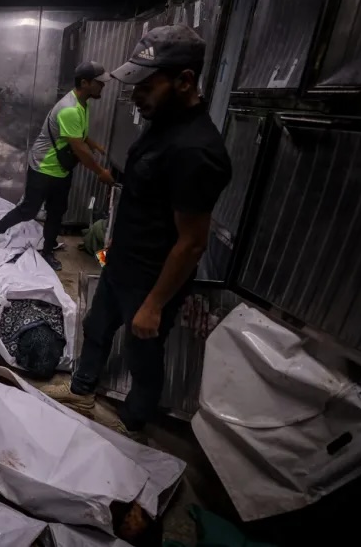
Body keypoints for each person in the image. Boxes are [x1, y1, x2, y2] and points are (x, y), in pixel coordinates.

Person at [57, 25, 232, 441]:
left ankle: (134, 424)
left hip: (152, 279)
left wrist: (154, 304)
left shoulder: (196, 150)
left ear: (184, 81)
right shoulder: (162, 124)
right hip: (122, 262)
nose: (135, 94)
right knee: (97, 327)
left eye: (146, 85)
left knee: (144, 352)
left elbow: (191, 243)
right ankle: (82, 387)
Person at [0, 62, 114, 271]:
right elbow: (79, 149)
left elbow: (80, 135)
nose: (103, 87)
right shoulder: (69, 109)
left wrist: (94, 144)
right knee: (29, 210)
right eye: (99, 83)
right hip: (44, 167)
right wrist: (101, 172)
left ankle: (47, 250)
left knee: (57, 211)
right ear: (84, 83)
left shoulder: (83, 104)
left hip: (62, 168)